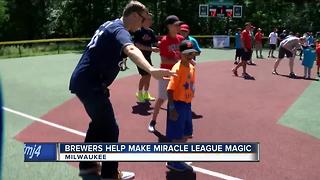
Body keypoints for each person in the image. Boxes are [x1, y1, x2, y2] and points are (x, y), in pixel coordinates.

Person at [69, 1, 175, 179]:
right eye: (142, 20)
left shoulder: (109, 25)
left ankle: (87, 166)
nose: (142, 25)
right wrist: (150, 69)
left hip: (87, 82)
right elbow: (131, 48)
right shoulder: (119, 30)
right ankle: (110, 174)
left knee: (98, 124)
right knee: (111, 129)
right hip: (90, 84)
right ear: (134, 15)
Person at [148, 15, 184, 132]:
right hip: (166, 74)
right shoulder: (164, 41)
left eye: (179, 24)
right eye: (176, 25)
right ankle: (153, 121)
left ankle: (177, 123)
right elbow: (164, 60)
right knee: (162, 98)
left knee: (178, 99)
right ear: (169, 26)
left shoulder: (181, 39)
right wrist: (179, 61)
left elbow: (184, 55)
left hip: (178, 74)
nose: (179, 26)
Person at [166, 40, 196, 172]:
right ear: (180, 54)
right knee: (177, 135)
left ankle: (178, 157)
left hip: (187, 104)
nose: (190, 57)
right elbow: (170, 90)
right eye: (186, 54)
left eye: (192, 53)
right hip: (177, 105)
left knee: (186, 133)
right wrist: (172, 108)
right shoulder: (177, 69)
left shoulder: (191, 67)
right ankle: (174, 162)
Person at [133, 13, 159, 103]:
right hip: (139, 57)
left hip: (148, 57)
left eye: (151, 19)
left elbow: (156, 43)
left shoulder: (151, 32)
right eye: (149, 19)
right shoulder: (138, 31)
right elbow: (137, 45)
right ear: (144, 20)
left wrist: (165, 44)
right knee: (144, 75)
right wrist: (151, 48)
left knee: (149, 75)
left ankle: (146, 93)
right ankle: (139, 93)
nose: (151, 21)